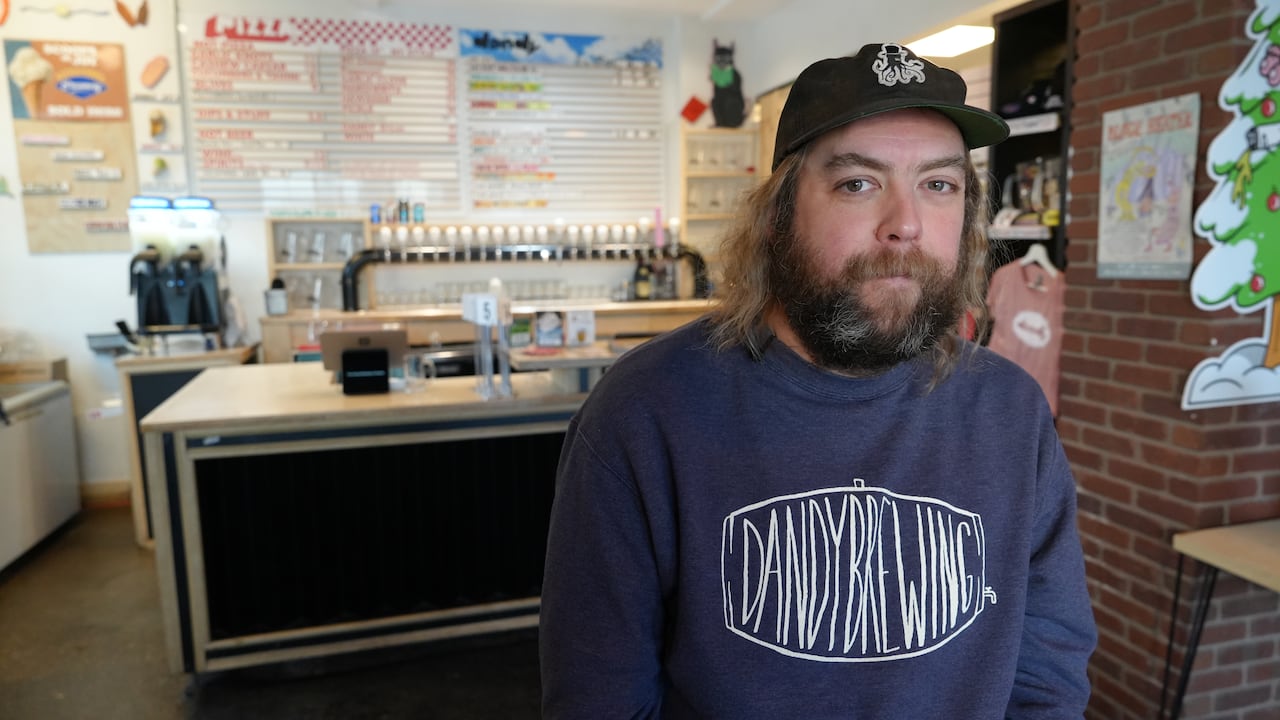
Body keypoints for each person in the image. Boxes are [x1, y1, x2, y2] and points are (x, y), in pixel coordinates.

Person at [540, 42, 1096, 719]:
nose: (907, 225)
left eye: (939, 185)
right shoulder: (645, 413)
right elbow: (599, 699)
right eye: (857, 183)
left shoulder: (1010, 411)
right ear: (777, 216)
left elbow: (1048, 662)